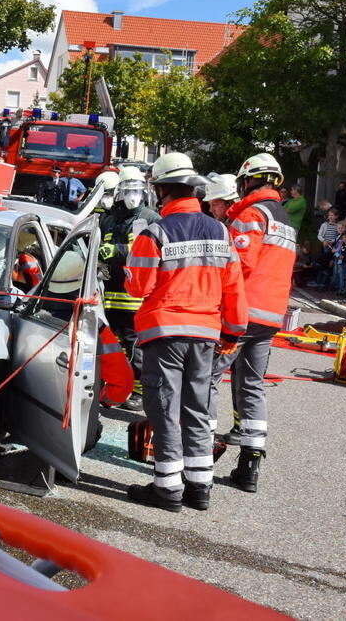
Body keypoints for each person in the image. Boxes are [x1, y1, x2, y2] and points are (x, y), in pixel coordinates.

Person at [124, 152, 247, 512]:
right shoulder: (221, 231)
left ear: (161, 190)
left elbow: (137, 287)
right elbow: (235, 287)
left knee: (164, 409)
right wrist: (233, 333)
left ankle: (167, 489)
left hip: (165, 332)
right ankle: (200, 487)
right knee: (197, 410)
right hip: (207, 333)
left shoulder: (156, 232)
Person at [210, 152, 296, 494]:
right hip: (270, 317)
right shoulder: (284, 218)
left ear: (249, 181)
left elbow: (239, 265)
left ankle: (199, 458)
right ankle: (249, 468)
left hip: (243, 314)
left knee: (209, 379)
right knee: (252, 386)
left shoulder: (251, 214)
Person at [98, 167, 160, 411]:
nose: (132, 194)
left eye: (136, 189)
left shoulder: (151, 218)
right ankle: (111, 386)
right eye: (128, 189)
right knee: (109, 346)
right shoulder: (110, 217)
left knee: (136, 346)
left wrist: (118, 251)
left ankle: (137, 392)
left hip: (134, 296)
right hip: (108, 294)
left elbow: (151, 251)